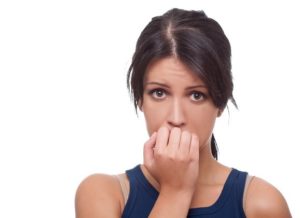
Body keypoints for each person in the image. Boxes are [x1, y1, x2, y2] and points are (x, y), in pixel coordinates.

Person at [75, 8, 291, 218]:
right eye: (159, 92)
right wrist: (175, 191)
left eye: (196, 95)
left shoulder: (261, 204)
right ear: (140, 98)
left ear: (221, 102)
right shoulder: (102, 194)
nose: (176, 118)